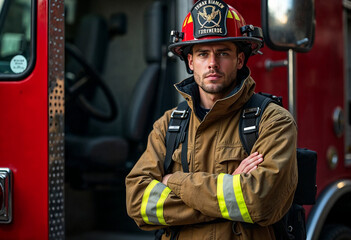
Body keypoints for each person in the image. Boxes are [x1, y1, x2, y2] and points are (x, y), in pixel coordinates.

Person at [125, 0, 297, 239]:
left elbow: (259, 202)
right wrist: (230, 194)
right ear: (190, 62)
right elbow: (137, 203)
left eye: (223, 53)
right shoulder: (168, 125)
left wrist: (173, 181)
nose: (212, 63)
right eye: (203, 54)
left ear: (239, 60)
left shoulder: (274, 121)